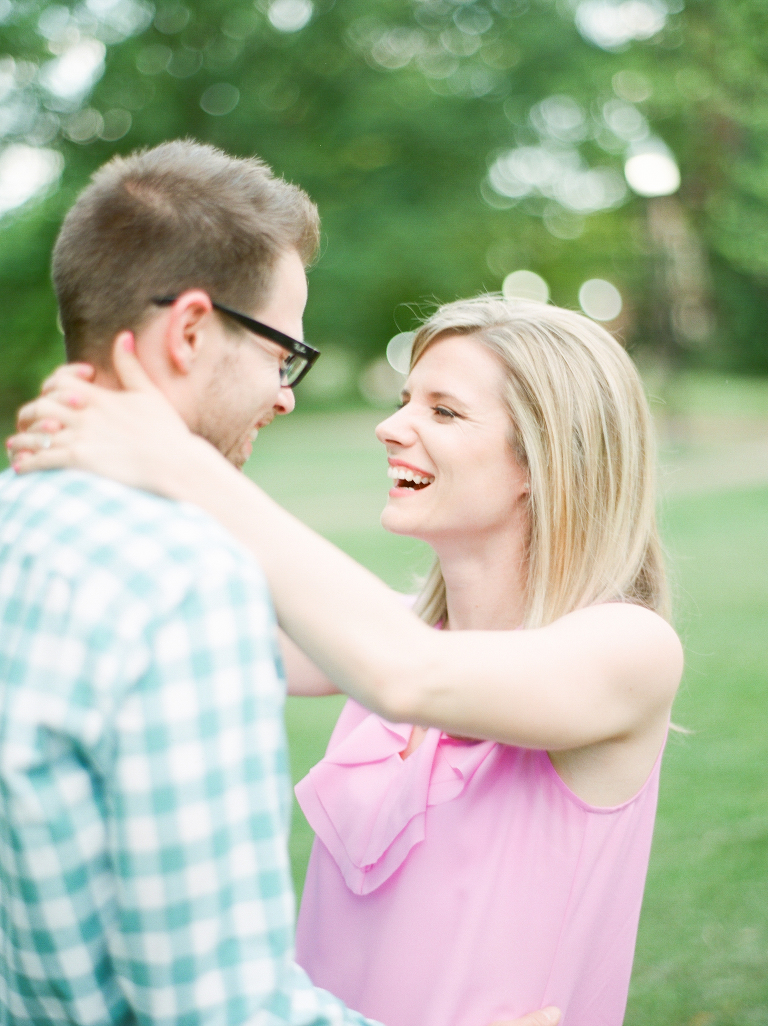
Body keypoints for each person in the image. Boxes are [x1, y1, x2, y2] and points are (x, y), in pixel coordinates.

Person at [0, 140, 557, 1026]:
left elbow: (394, 650)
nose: (287, 392)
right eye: (282, 351)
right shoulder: (182, 584)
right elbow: (213, 1007)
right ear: (189, 330)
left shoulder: (18, 525)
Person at [10, 294, 683, 1025]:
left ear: (546, 458)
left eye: (444, 412)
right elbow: (154, 610)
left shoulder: (630, 649)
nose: (391, 428)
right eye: (403, 402)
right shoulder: (378, 639)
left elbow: (408, 674)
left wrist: (182, 467)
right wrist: (80, 464)